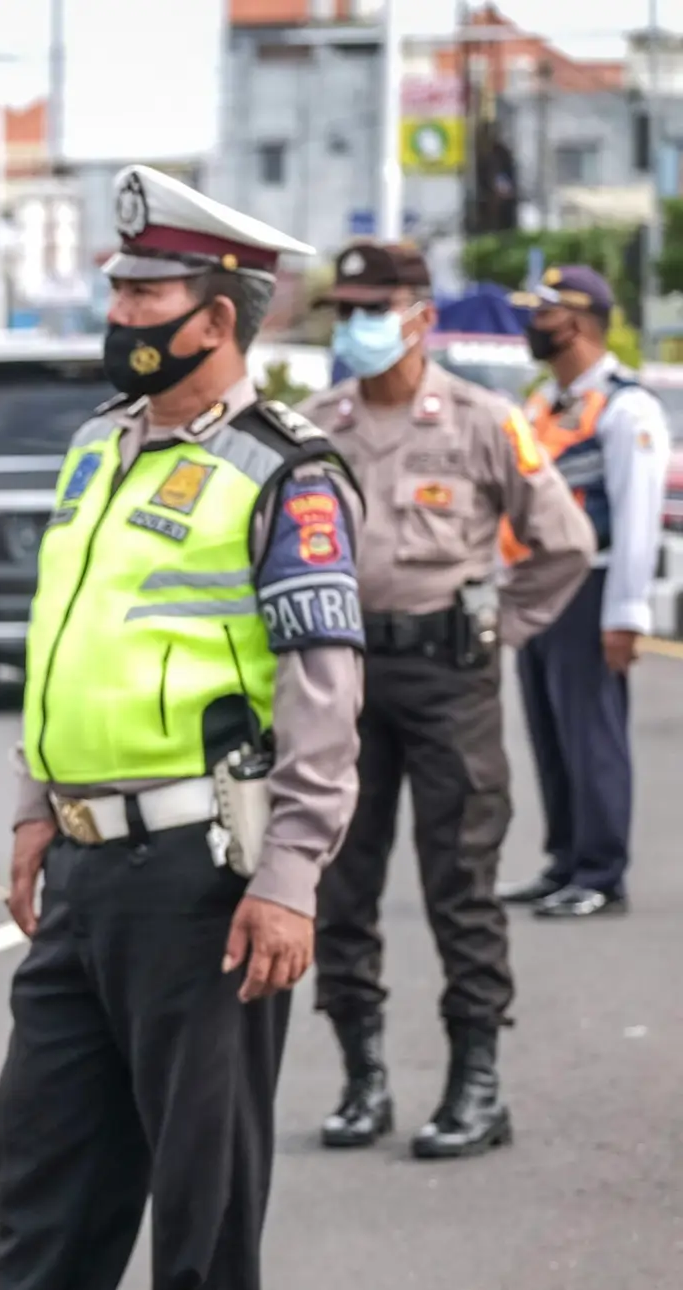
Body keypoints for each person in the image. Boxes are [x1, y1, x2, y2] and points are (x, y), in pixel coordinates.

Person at [0, 165, 365, 1290]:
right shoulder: (97, 447)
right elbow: (69, 637)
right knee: (45, 1198)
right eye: (118, 292)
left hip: (205, 881)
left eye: (144, 299)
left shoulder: (284, 473)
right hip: (86, 872)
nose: (119, 316)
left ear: (215, 317)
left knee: (200, 1218)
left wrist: (292, 873)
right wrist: (31, 807)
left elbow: (324, 686)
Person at [296, 241, 594, 1161]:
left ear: (420, 317)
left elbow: (565, 543)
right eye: (344, 311)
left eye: (372, 309)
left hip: (446, 676)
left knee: (459, 882)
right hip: (339, 679)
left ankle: (477, 1083)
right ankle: (363, 1077)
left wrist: (499, 624)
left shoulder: (480, 421)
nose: (356, 327)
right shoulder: (313, 427)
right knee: (339, 877)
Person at [497, 266, 669, 919]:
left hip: (592, 586)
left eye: (540, 315)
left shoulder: (627, 407)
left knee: (591, 731)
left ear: (574, 322)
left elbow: (635, 518)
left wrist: (626, 614)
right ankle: (564, 859)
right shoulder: (546, 402)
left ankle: (601, 872)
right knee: (549, 730)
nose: (529, 328)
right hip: (540, 587)